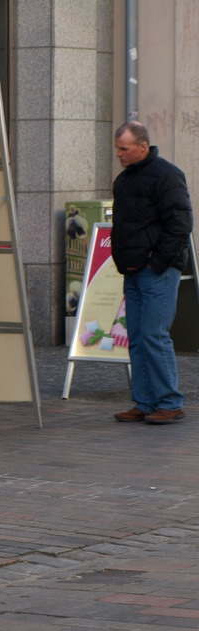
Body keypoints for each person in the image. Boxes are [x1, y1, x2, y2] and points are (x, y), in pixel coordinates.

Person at [111, 121, 193, 425]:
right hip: (133, 270)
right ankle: (144, 401)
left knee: (154, 336)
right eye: (117, 148)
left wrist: (157, 262)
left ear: (142, 147)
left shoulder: (167, 175)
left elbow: (180, 225)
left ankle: (170, 402)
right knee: (137, 337)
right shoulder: (125, 179)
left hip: (156, 270)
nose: (119, 154)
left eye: (124, 148)